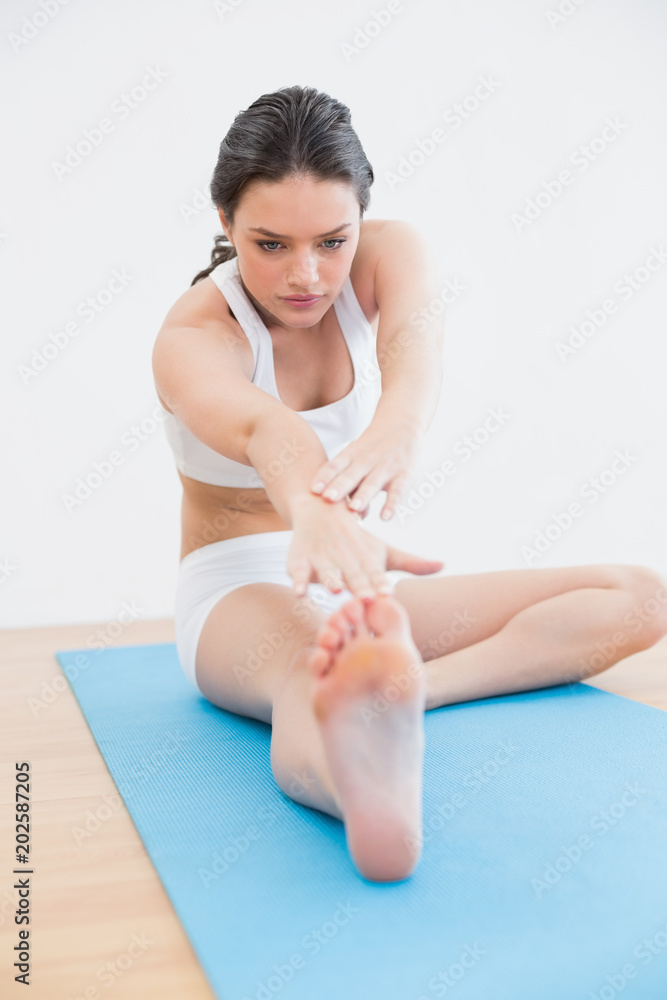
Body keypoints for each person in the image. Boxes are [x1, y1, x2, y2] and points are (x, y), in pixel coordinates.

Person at [152, 85, 667, 883]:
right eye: (271, 244)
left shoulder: (392, 255)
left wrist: (398, 428)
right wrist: (311, 514)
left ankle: (404, 692)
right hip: (236, 590)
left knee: (640, 595)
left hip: (355, 577)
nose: (307, 276)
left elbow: (412, 360)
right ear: (224, 223)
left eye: (332, 240)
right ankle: (358, 789)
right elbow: (269, 431)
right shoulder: (192, 336)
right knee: (300, 675)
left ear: (362, 216)